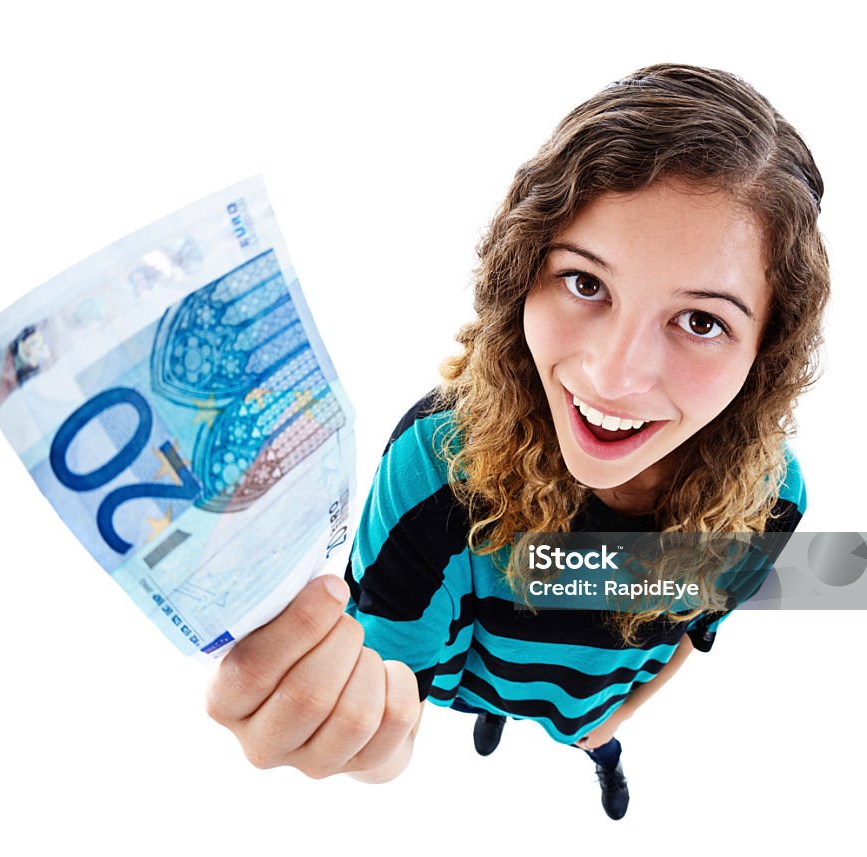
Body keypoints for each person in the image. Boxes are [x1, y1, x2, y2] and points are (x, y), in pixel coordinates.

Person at [205, 64, 827, 821]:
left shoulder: (772, 499)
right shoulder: (436, 469)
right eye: (586, 283)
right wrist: (354, 734)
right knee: (492, 695)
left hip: (591, 709)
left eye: (701, 321)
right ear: (522, 273)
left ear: (765, 353)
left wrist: (613, 720)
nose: (613, 376)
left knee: (585, 730)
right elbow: (395, 694)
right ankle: (501, 712)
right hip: (474, 676)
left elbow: (698, 629)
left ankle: (597, 753)